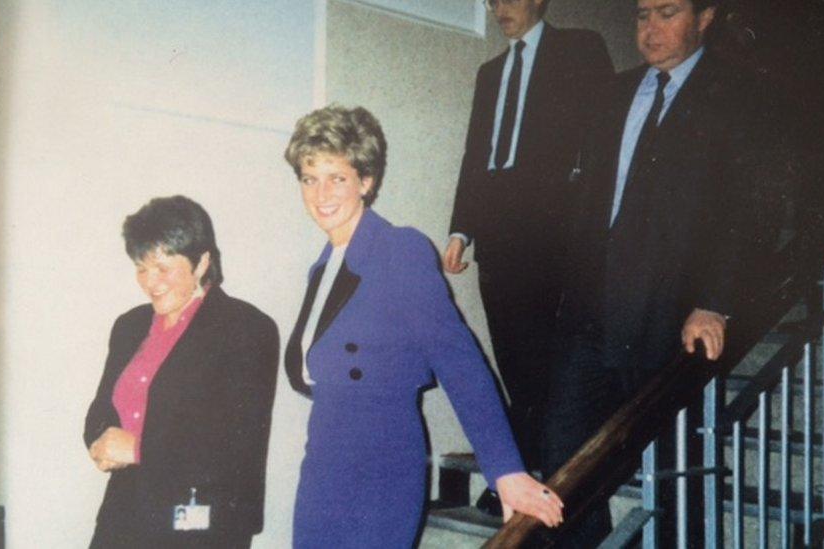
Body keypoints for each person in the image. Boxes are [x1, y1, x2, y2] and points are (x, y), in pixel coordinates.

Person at [544, 0, 793, 546]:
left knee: (676, 468)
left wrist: (714, 300)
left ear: (706, 18)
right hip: (590, 312)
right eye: (641, 15)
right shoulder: (614, 92)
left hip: (672, 318)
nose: (650, 29)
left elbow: (755, 211)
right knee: (564, 465)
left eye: (667, 13)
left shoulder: (739, 96)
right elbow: (589, 200)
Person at [282, 105, 565, 548]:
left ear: (366, 181)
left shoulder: (399, 250)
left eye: (336, 176)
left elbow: (459, 359)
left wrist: (504, 469)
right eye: (309, 178)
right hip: (322, 464)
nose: (321, 193)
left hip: (381, 464)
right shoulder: (321, 269)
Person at [443, 0, 614, 513]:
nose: (499, 8)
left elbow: (604, 137)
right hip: (496, 231)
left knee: (546, 359)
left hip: (551, 231)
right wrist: (461, 230)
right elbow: (478, 152)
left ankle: (530, 476)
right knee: (515, 359)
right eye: (492, 0)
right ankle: (521, 471)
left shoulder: (579, 50)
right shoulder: (489, 72)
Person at [84, 196, 279, 549]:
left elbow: (238, 447)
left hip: (201, 528)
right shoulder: (129, 326)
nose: (149, 281)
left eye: (163, 267)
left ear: (202, 262)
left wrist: (140, 450)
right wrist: (99, 440)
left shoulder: (247, 329)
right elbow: (102, 409)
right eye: (141, 267)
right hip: (124, 517)